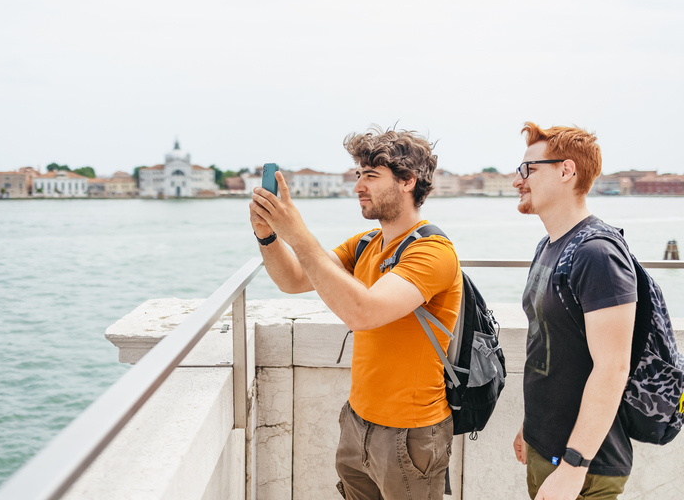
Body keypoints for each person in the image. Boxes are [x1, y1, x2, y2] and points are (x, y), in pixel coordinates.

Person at [249, 127, 462, 499]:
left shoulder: (433, 251)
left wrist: (297, 233)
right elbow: (293, 279)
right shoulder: (366, 243)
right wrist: (268, 236)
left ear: (408, 181)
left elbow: (363, 313)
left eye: (371, 176)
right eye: (359, 174)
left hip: (410, 434)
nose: (358, 186)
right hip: (357, 422)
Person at [511, 122, 637, 500]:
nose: (518, 180)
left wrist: (573, 466)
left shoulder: (597, 254)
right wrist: (530, 428)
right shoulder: (549, 245)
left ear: (567, 171)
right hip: (546, 447)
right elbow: (552, 347)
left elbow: (612, 368)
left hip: (584, 468)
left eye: (527, 170)